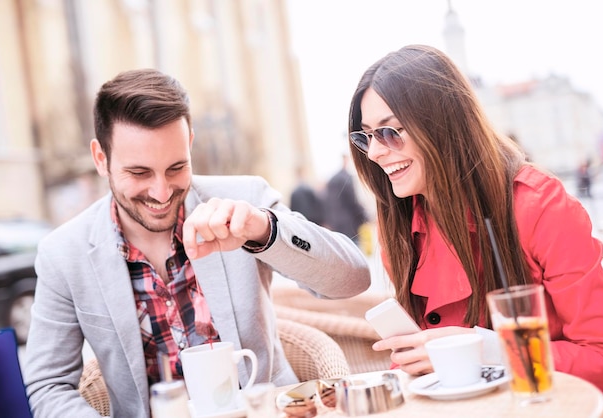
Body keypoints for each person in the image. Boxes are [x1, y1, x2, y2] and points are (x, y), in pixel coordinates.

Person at [24, 69, 371, 418]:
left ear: (189, 142)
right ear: (101, 158)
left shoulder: (245, 199)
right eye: (139, 173)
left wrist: (263, 230)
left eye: (176, 167)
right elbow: (48, 385)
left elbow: (352, 279)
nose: (161, 192)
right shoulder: (63, 254)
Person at [346, 44, 603, 412]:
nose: (375, 153)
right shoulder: (400, 226)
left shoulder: (538, 207)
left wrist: (482, 349)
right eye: (366, 137)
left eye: (390, 132)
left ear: (441, 125)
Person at [324, 153, 368, 244]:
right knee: (354, 252)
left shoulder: (331, 180)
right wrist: (364, 216)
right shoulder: (346, 178)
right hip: (349, 223)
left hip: (335, 224)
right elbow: (352, 201)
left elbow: (326, 202)